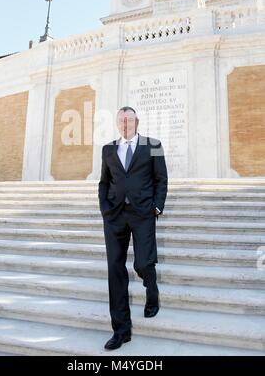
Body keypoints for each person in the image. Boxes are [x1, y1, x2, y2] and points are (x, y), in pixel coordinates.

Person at [98, 107, 168, 351]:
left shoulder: (154, 144)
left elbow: (162, 179)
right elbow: (104, 182)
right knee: (115, 271)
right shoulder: (108, 149)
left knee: (143, 264)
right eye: (121, 120)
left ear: (136, 121)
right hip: (115, 216)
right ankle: (121, 330)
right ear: (117, 123)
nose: (125, 123)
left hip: (143, 214)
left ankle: (152, 289)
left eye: (128, 119)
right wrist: (104, 208)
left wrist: (157, 207)